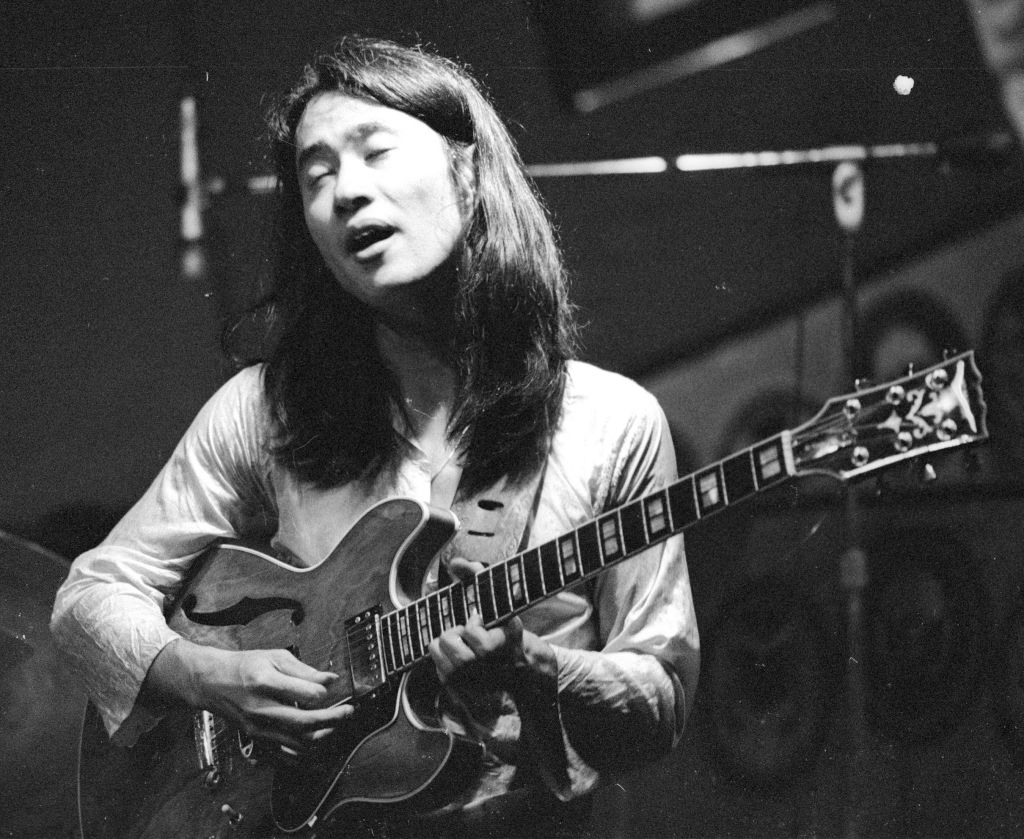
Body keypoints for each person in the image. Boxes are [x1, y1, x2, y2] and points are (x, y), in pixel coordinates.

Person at [51, 36, 699, 838]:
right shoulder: (265, 410)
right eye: (316, 175)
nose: (347, 191)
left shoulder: (610, 421)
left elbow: (663, 700)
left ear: (468, 171)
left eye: (375, 151)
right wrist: (207, 675)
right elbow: (88, 598)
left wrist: (536, 667)